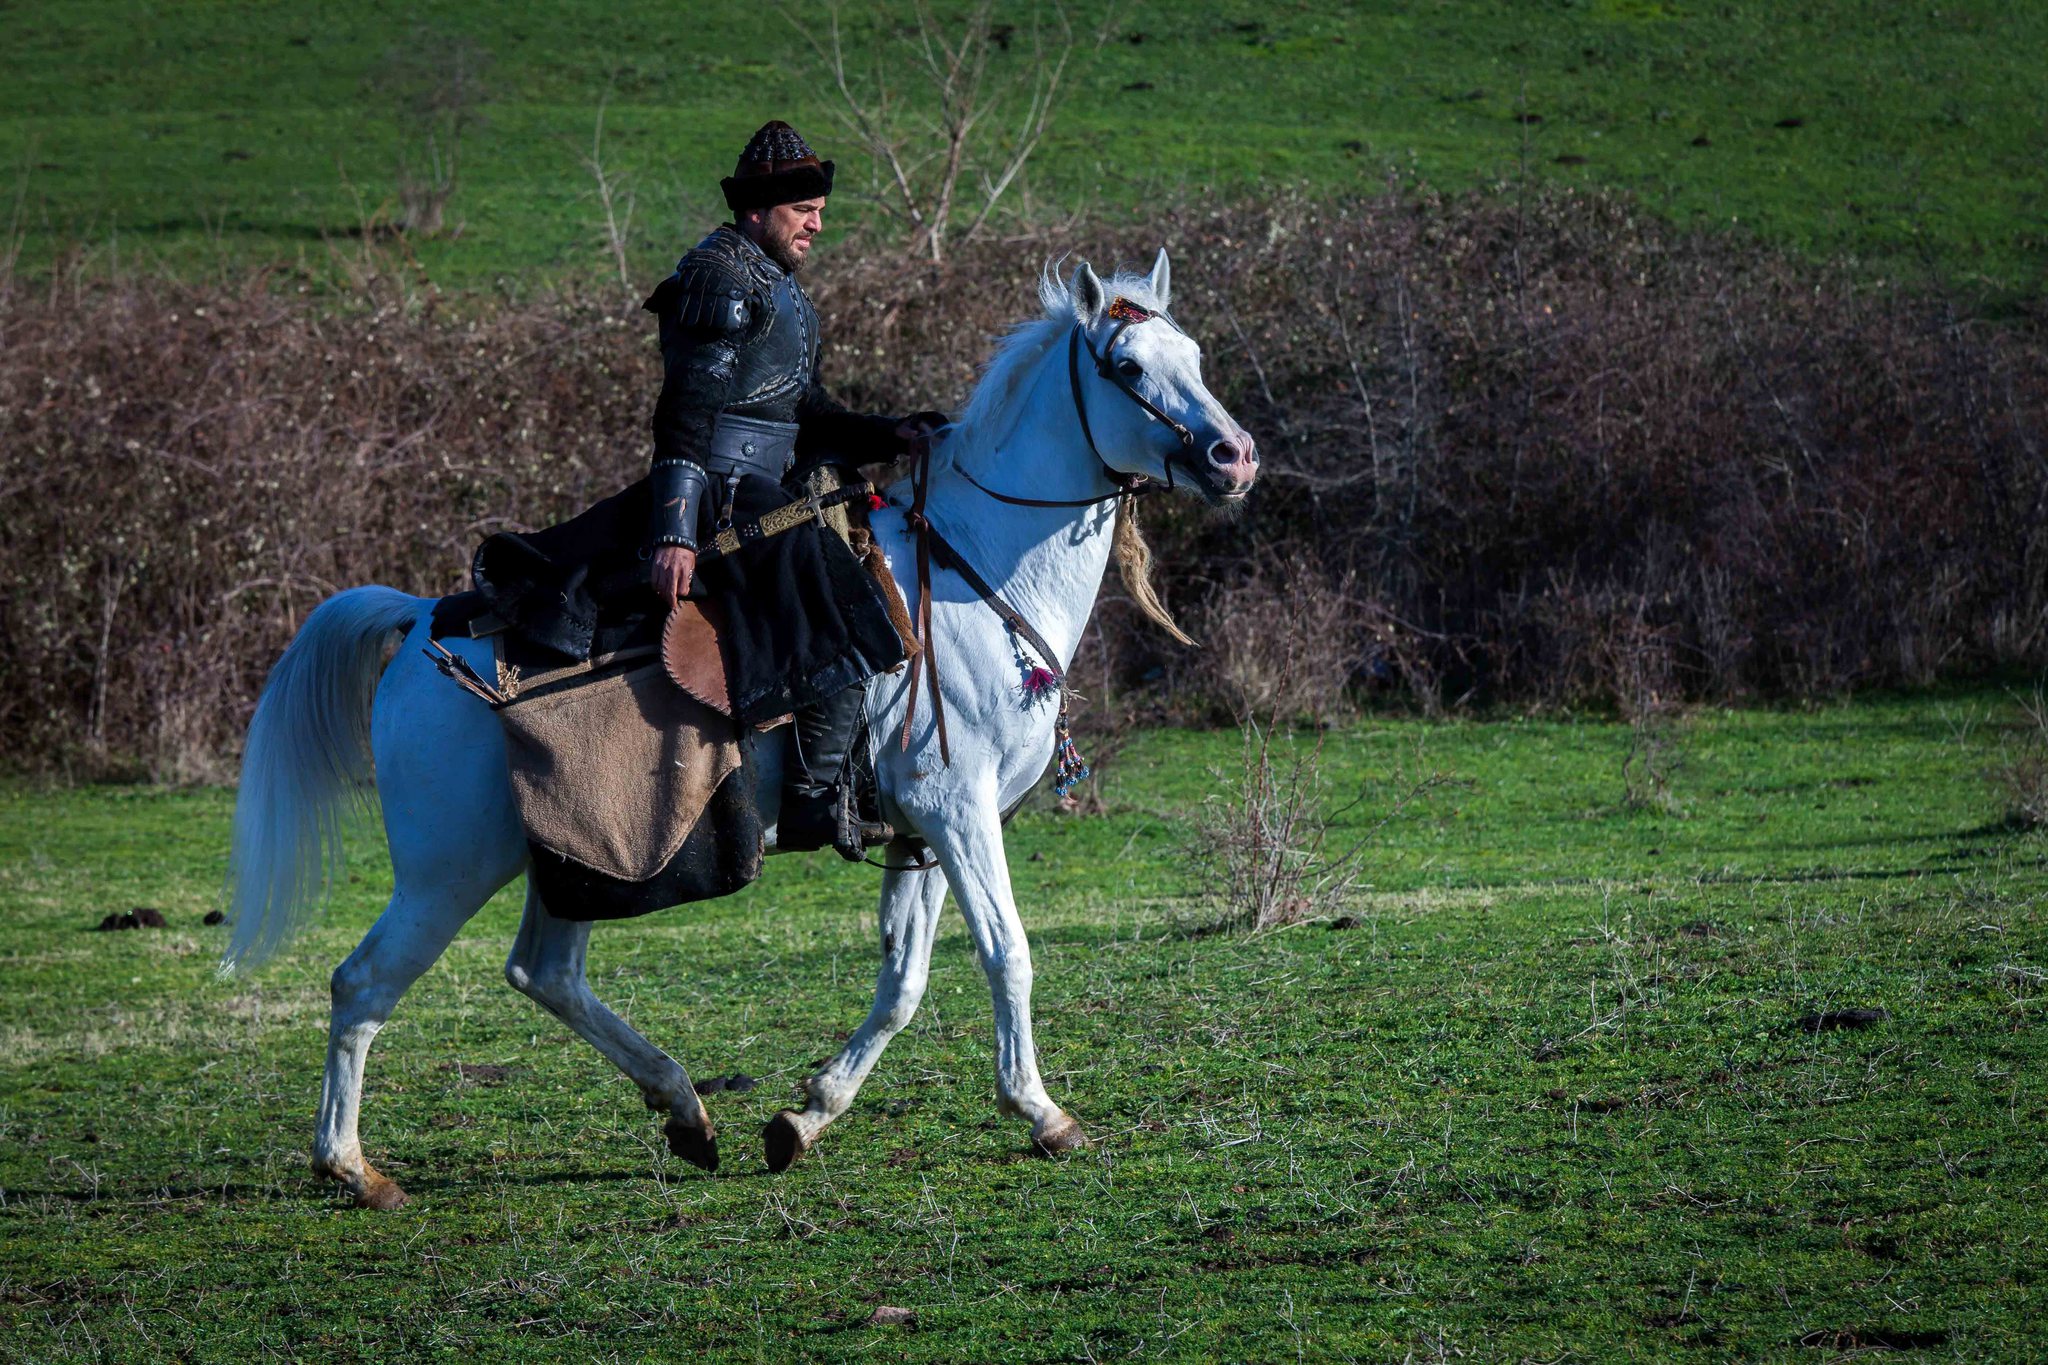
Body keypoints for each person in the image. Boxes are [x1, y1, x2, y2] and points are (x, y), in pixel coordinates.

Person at [637, 120, 940, 859]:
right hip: (723, 493)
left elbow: (808, 411)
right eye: (803, 208)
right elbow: (685, 412)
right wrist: (675, 530)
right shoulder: (719, 277)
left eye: (820, 210)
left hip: (770, 484)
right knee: (839, 590)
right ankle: (811, 795)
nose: (817, 222)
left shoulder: (775, 287)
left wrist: (892, 434)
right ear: (757, 208)